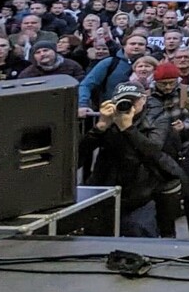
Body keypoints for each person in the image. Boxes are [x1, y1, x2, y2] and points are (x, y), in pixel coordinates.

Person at [78, 82, 182, 237]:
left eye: (133, 100)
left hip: (143, 190)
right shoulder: (108, 119)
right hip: (107, 186)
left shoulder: (158, 118)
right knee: (97, 235)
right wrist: (99, 127)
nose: (129, 105)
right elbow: (80, 155)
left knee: (138, 231)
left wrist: (128, 129)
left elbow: (153, 151)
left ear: (144, 99)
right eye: (124, 100)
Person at [146, 61, 189, 238]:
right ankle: (167, 234)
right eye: (163, 83)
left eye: (171, 83)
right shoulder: (148, 95)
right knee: (164, 195)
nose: (167, 87)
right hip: (161, 152)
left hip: (185, 148)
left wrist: (187, 124)